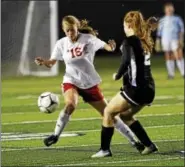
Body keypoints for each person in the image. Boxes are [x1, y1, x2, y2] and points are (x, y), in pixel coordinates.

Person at [35, 15, 144, 151]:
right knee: (70, 105)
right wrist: (44, 62)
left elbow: (105, 46)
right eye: (67, 31)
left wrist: (111, 47)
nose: (70, 33)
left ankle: (134, 142)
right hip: (71, 80)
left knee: (108, 114)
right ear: (63, 30)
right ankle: (55, 135)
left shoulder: (88, 39)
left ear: (77, 27)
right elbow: (51, 63)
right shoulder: (61, 44)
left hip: (89, 83)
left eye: (72, 30)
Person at [91, 11, 159, 158]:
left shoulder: (129, 41)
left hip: (136, 89)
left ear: (128, 25)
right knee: (126, 116)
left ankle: (104, 150)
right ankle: (149, 145)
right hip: (149, 89)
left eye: (124, 25)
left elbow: (126, 61)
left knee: (108, 111)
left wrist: (118, 74)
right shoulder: (144, 38)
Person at [155, 2, 184, 79]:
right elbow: (159, 31)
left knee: (178, 55)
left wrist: (181, 39)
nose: (169, 10)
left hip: (175, 39)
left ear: (173, 9)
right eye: (168, 9)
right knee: (168, 56)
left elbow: (181, 30)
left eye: (171, 9)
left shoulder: (177, 18)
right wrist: (158, 42)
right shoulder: (162, 20)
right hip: (165, 40)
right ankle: (171, 74)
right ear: (165, 10)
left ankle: (183, 73)